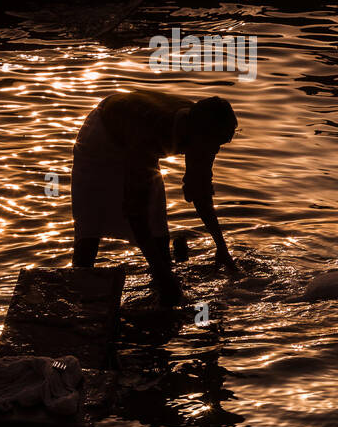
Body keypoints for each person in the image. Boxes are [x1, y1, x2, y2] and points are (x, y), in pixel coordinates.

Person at [71, 90, 238, 304]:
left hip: (139, 134)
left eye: (221, 144)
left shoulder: (204, 133)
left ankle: (161, 287)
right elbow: (135, 211)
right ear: (196, 133)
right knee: (91, 226)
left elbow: (200, 190)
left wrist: (221, 247)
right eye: (214, 143)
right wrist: (164, 276)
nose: (215, 150)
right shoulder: (150, 133)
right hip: (103, 134)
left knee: (157, 224)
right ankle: (77, 295)